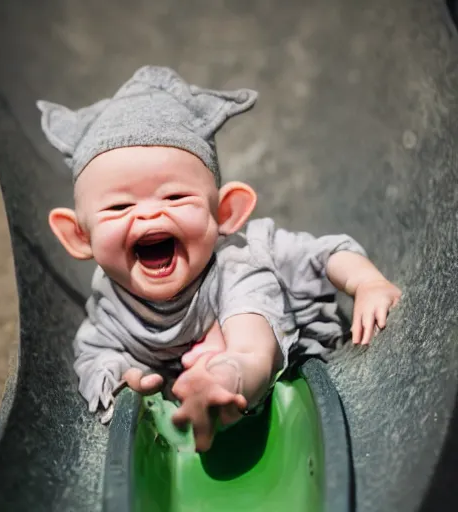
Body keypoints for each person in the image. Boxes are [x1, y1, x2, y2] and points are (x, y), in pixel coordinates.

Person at [37, 65, 402, 451]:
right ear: (79, 235)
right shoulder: (110, 306)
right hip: (193, 391)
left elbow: (317, 263)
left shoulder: (241, 264)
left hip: (285, 361)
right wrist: (123, 381)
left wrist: (367, 283)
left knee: (263, 290)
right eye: (118, 206)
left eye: (175, 197)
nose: (147, 215)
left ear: (225, 212)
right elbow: (94, 355)